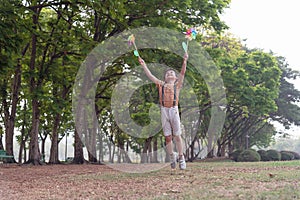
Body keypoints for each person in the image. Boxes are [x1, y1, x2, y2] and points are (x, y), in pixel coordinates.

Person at [138, 53, 188, 170]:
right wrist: (144, 64)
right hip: (164, 110)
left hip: (174, 110)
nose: (170, 74)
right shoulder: (161, 85)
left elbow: (182, 73)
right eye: (167, 73)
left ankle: (181, 157)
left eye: (172, 73)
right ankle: (171, 156)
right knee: (167, 137)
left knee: (177, 135)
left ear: (175, 78)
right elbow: (150, 75)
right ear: (165, 78)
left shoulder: (177, 85)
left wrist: (184, 61)